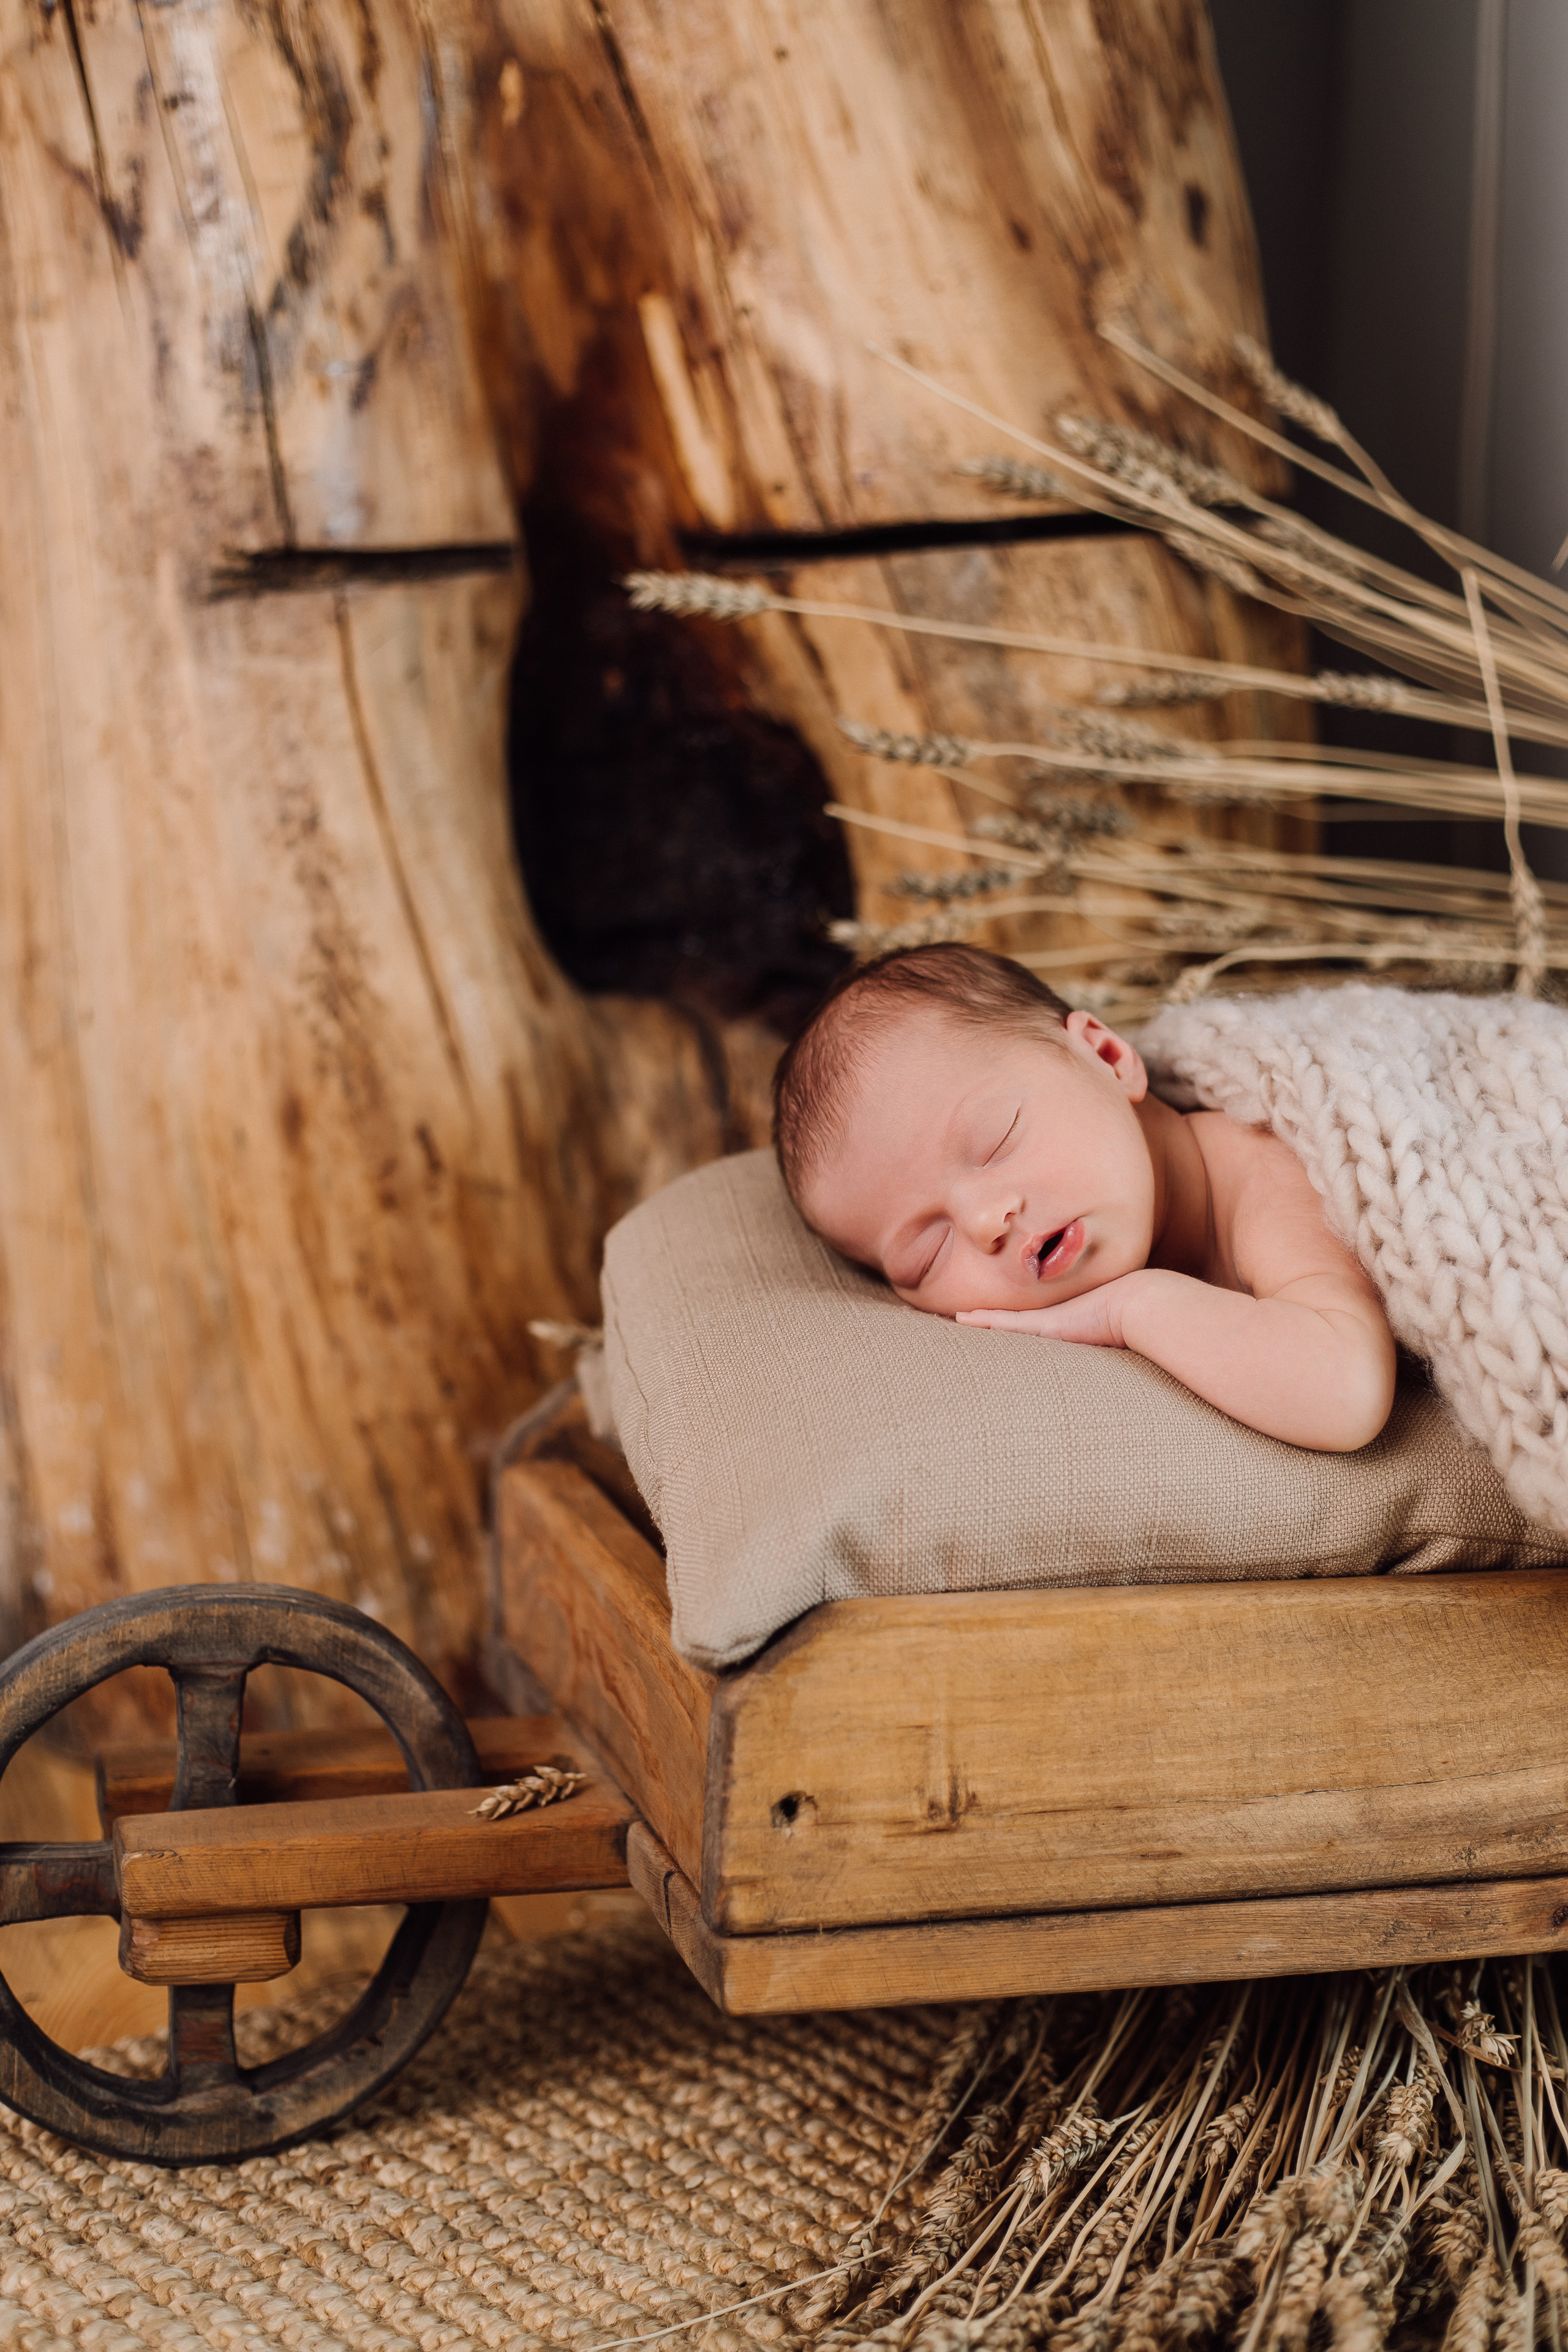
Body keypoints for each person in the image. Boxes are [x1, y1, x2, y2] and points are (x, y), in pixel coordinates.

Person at [772, 942, 1396, 1452]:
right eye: (927, 1252)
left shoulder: (1262, 1171)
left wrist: (1134, 1307)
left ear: (1106, 1055)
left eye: (996, 1140)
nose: (988, 1221)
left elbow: (1346, 1392)